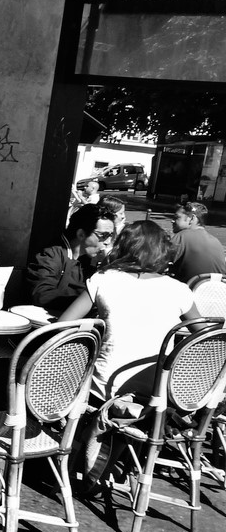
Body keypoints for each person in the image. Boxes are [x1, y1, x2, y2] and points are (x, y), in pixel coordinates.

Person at [59, 221, 201, 489]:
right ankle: (115, 455)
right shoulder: (179, 289)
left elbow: (64, 326)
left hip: (106, 388)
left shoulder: (104, 280)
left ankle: (75, 454)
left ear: (124, 247)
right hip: (159, 391)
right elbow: (206, 336)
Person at [25, 204, 116, 317]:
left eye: (111, 235)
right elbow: (42, 294)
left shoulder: (88, 260)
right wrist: (85, 302)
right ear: (81, 234)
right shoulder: (51, 254)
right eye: (103, 235)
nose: (108, 242)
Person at [168, 201, 226, 283]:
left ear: (192, 219)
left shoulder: (182, 236)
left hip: (189, 291)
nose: (172, 221)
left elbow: (156, 259)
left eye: (176, 217)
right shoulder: (216, 242)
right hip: (215, 293)